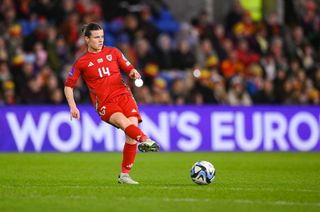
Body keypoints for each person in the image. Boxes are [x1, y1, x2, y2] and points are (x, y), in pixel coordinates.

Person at [64, 23, 160, 184]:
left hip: (124, 95)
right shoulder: (82, 62)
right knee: (124, 123)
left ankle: (124, 175)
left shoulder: (113, 52)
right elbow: (68, 85)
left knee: (131, 134)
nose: (100, 40)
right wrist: (73, 106)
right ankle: (145, 139)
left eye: (102, 36)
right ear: (87, 39)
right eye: (96, 37)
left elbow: (128, 67)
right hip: (105, 102)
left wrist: (133, 73)